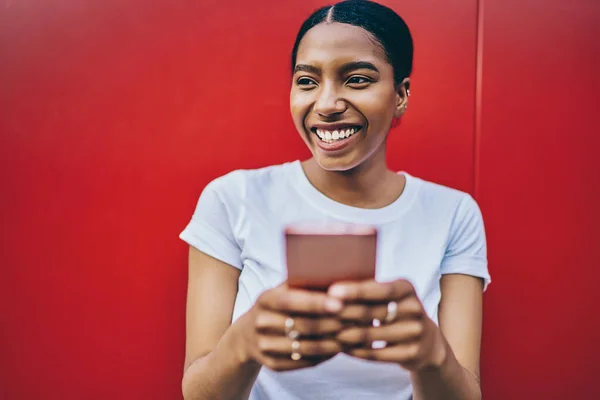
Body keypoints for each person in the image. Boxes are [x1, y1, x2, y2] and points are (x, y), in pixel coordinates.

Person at [179, 0, 490, 399]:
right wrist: (245, 341)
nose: (325, 105)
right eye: (307, 81)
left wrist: (430, 353)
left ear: (400, 94)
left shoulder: (453, 214)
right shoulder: (231, 199)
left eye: (357, 79)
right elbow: (199, 394)